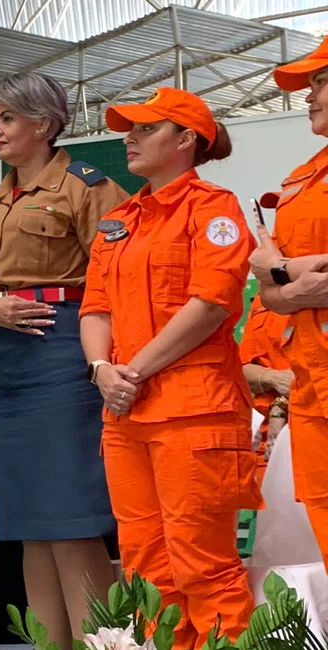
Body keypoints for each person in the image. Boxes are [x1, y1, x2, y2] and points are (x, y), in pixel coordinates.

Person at [0, 71, 128, 646]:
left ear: (44, 125)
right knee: (28, 527)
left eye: (7, 118)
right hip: (4, 364)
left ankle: (102, 643)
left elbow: (118, 278)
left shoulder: (87, 187)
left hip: (63, 350)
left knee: (70, 519)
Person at [80, 86, 260, 646]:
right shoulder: (118, 221)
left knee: (203, 564)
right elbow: (95, 307)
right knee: (144, 567)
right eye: (127, 128)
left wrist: (127, 371)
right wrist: (99, 369)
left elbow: (210, 305)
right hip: (126, 416)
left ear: (186, 140)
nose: (128, 138)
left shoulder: (214, 207)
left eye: (146, 128)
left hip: (192, 411)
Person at [250, 36, 328, 572]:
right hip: (312, 386)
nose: (309, 97)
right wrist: (293, 283)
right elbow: (269, 288)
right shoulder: (302, 181)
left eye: (320, 82)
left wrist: (282, 272)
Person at [238, 298, 293, 477]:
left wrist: (281, 406)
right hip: (265, 443)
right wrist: (273, 378)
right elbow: (240, 369)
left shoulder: (317, 287)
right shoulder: (263, 300)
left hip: (310, 430)